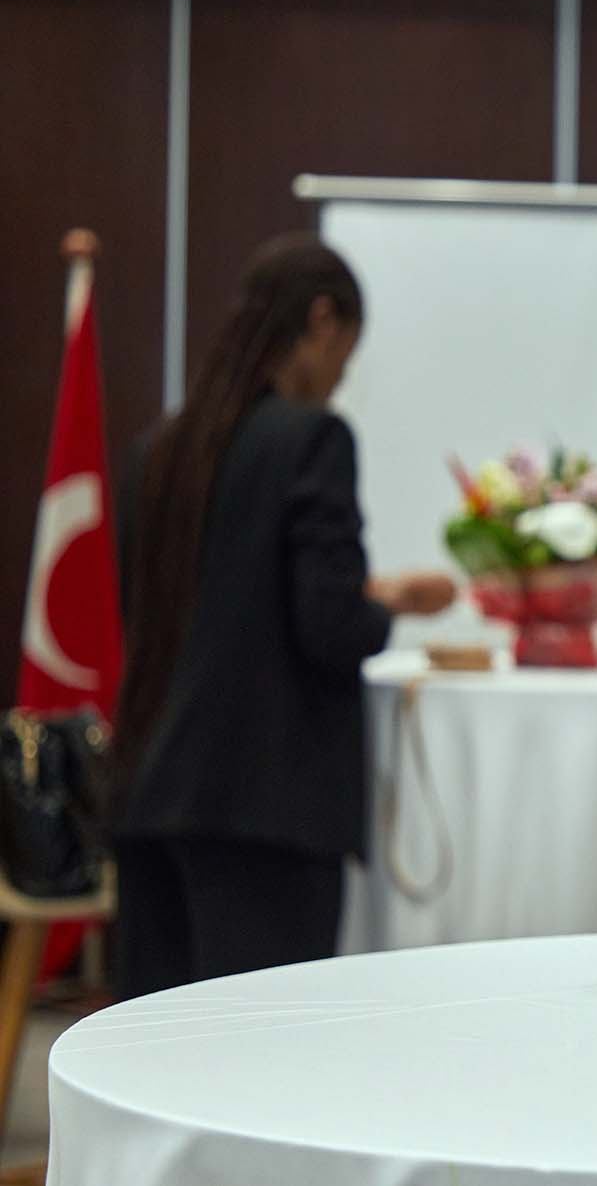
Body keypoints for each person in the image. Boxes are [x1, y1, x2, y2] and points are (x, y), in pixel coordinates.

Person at [112, 232, 455, 998]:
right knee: (257, 1052)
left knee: (157, 1050)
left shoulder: (157, 450)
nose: (339, 382)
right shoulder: (312, 440)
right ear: (322, 321)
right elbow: (330, 630)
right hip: (265, 810)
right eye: (345, 358)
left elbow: (175, 610)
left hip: (149, 797)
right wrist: (383, 608)